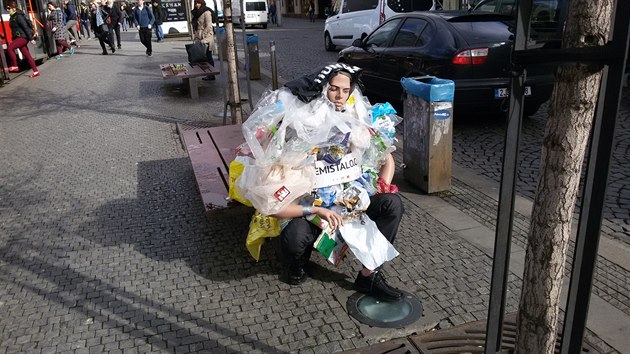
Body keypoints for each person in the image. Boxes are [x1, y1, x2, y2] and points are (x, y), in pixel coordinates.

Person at [238, 64, 404, 301]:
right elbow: (272, 206)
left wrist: (382, 186)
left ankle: (369, 275)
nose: (339, 95)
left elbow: (385, 158)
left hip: (347, 199)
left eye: (345, 91)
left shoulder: (353, 121)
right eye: (334, 89)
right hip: (309, 202)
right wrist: (315, 208)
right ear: (324, 88)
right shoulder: (302, 123)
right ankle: (297, 265)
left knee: (392, 204)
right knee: (295, 237)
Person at [4, 1, 39, 77]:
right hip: (19, 37)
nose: (7, 10)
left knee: (10, 48)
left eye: (8, 8)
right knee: (27, 55)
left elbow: (25, 27)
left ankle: (15, 66)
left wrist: (31, 38)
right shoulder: (12, 16)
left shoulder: (18, 16)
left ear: (13, 8)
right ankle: (36, 71)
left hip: (22, 37)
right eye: (6, 8)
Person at [191, 0, 215, 80]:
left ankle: (211, 74)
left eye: (198, 3)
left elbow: (209, 26)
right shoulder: (196, 12)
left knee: (208, 56)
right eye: (196, 3)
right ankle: (208, 73)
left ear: (202, 3)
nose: (197, 5)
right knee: (203, 56)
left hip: (206, 37)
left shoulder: (206, 12)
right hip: (199, 37)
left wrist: (203, 34)